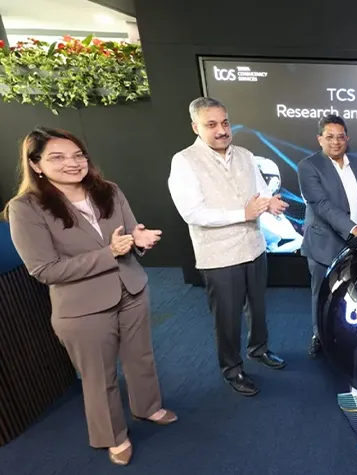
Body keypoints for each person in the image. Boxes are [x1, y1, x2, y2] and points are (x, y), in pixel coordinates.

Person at [4, 127, 175, 466]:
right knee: (99, 377)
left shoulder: (108, 190)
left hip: (132, 289)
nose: (73, 163)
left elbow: (129, 233)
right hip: (82, 307)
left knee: (141, 358)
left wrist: (139, 239)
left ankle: (148, 407)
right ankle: (113, 436)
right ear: (36, 164)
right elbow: (45, 270)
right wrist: (110, 253)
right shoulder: (26, 208)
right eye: (58, 157)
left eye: (78, 155)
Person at [168, 97, 289, 397]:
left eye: (224, 122)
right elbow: (192, 213)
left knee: (258, 307)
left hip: (254, 247)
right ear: (196, 127)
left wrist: (268, 202)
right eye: (211, 125)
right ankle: (232, 369)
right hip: (219, 256)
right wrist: (243, 214)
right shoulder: (184, 161)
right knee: (227, 318)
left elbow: (260, 189)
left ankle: (258, 349)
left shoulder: (245, 155)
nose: (221, 130)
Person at [298, 115, 357, 357]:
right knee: (321, 293)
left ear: (347, 139)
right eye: (329, 137)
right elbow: (321, 205)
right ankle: (318, 335)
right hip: (324, 242)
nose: (335, 142)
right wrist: (353, 228)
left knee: (354, 291)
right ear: (319, 139)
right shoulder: (308, 166)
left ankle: (348, 333)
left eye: (340, 137)